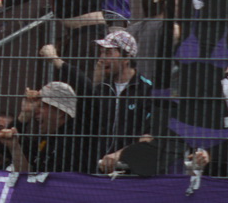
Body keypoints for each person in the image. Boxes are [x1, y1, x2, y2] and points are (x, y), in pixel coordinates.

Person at [40, 31, 155, 174]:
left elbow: (151, 135)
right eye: (101, 52)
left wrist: (121, 154)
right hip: (97, 172)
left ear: (127, 57)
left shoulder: (148, 91)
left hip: (131, 174)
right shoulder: (101, 90)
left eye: (108, 53)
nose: (102, 58)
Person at [0, 81, 93, 173]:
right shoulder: (46, 139)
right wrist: (24, 115)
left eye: (41, 106)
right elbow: (4, 149)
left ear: (60, 112)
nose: (35, 111)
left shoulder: (78, 138)